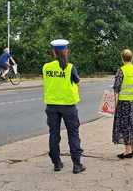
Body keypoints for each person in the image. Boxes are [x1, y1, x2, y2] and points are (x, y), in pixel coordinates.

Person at [43, 39, 86, 174]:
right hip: (68, 106)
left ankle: (56, 163)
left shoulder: (46, 67)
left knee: (53, 134)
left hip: (51, 106)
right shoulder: (70, 67)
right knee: (73, 134)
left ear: (53, 53)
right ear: (66, 51)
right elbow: (78, 82)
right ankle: (77, 165)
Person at [112, 49, 133, 159]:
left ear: (122, 58)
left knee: (125, 126)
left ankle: (127, 151)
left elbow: (116, 88)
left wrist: (113, 106)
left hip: (124, 103)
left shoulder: (121, 70)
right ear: (132, 58)